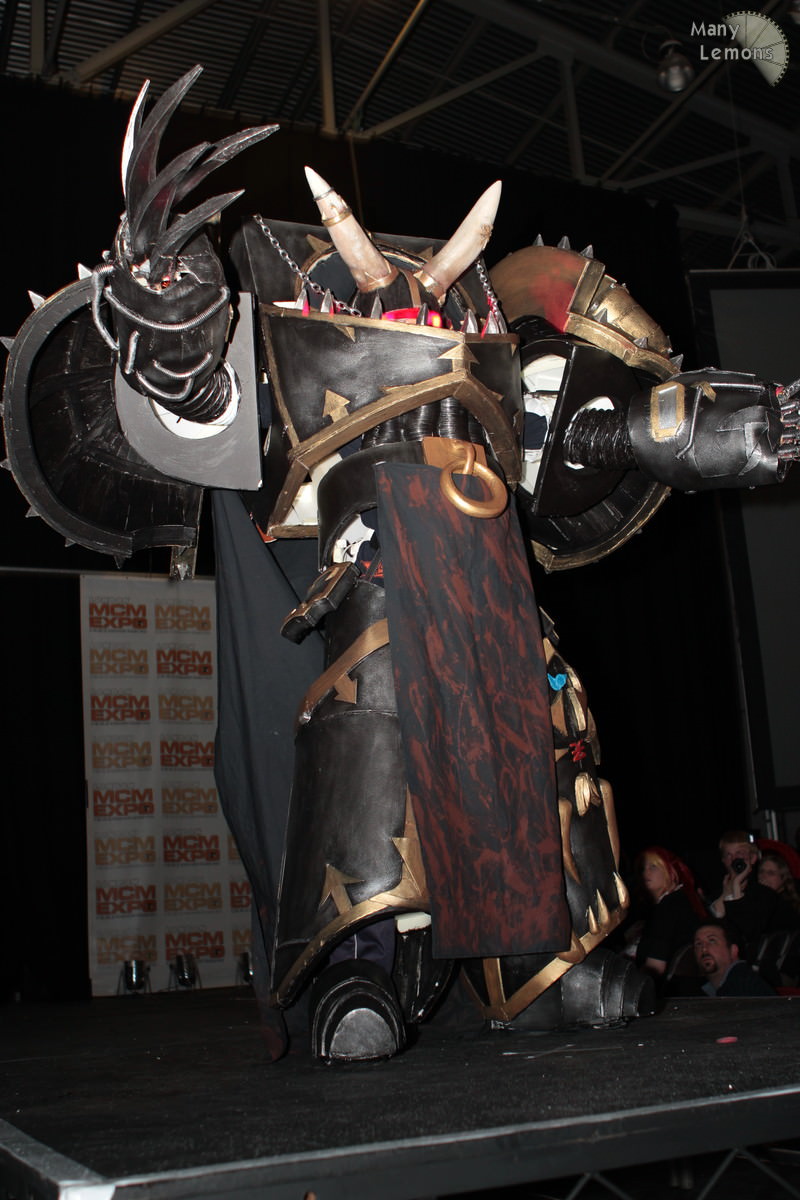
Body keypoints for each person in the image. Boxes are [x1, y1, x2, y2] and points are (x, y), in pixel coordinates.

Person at [4, 66, 800, 1061]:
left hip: (487, 583)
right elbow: (209, 415)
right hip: (366, 567)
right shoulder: (289, 375)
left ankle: (541, 962)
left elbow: (586, 433)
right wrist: (177, 335)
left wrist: (701, 427)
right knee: (373, 684)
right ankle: (359, 958)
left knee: (542, 712)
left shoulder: (491, 371)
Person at [709, 830, 800, 961]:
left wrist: (736, 888)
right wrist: (726, 894)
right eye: (728, 855)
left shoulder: (765, 895)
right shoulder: (716, 894)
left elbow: (749, 933)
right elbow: (712, 926)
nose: (734, 859)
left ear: (752, 858)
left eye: (739, 853)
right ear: (723, 861)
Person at [634, 846, 705, 979]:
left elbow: (655, 966)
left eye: (653, 867)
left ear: (671, 871)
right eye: (642, 868)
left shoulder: (669, 906)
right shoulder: (681, 900)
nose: (645, 872)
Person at [693, 922, 776, 997]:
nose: (704, 949)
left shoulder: (743, 986)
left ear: (733, 951)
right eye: (698, 944)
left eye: (712, 941)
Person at [758, 851, 800, 916]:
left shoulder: (787, 906)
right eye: (761, 871)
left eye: (770, 873)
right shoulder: (758, 899)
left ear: (783, 878)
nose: (763, 876)